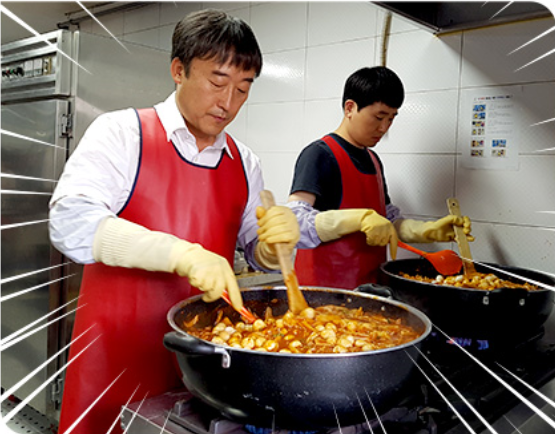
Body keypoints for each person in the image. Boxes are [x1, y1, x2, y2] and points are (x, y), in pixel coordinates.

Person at [49, 10, 299, 434]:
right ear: (178, 70)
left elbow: (256, 248)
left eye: (243, 89)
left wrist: (277, 248)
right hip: (115, 358)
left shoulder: (244, 162)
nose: (229, 103)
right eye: (217, 82)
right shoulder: (122, 133)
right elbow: (70, 221)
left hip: (204, 364)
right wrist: (179, 254)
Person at [287, 66, 472, 289]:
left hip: (370, 288)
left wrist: (427, 231)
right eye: (379, 117)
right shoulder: (319, 154)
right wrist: (358, 219)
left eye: (391, 119)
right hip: (323, 292)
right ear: (350, 108)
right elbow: (294, 222)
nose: (384, 128)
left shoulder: (373, 160)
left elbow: (387, 222)